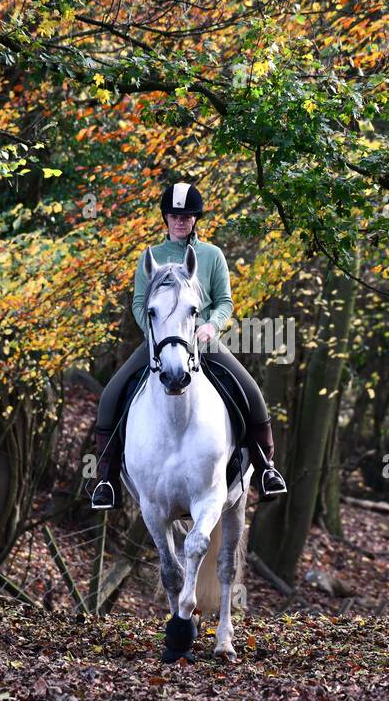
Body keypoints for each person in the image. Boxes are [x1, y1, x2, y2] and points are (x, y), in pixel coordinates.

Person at [90, 181, 288, 509]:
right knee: (111, 395)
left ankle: (266, 468)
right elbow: (140, 304)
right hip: (160, 344)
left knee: (252, 392)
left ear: (196, 218)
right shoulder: (149, 258)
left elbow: (224, 301)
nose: (180, 221)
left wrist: (211, 325)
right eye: (174, 215)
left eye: (187, 216)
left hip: (203, 341)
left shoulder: (211, 256)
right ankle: (106, 481)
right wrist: (156, 334)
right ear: (165, 218)